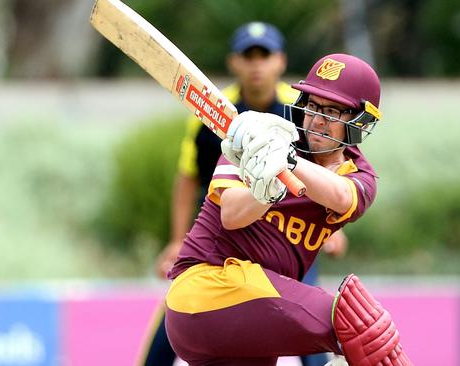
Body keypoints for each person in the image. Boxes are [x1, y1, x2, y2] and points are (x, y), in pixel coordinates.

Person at [164, 53, 413, 366]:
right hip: (206, 289)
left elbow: (340, 196)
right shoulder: (256, 143)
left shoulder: (357, 176)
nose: (318, 119)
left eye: (333, 111)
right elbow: (231, 214)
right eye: (313, 106)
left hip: (250, 318)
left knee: (362, 328)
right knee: (357, 321)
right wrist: (264, 191)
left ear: (358, 123)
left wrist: (287, 163)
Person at [139, 22, 345, 366]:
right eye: (248, 56)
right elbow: (188, 178)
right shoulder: (211, 115)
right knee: (174, 320)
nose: (256, 65)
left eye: (264, 55)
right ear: (234, 63)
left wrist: (336, 229)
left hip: (285, 240)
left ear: (280, 61)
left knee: (311, 333)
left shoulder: (298, 112)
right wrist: (177, 241)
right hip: (223, 239)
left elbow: (330, 169)